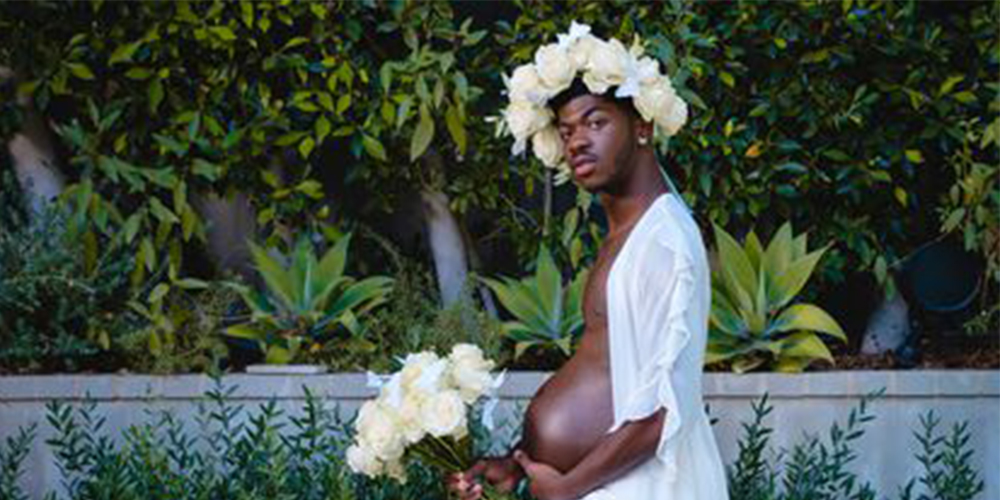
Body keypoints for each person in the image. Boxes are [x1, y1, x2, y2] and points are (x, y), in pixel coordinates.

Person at [449, 23, 728, 500]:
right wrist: (519, 465)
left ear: (642, 126)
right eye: (567, 130)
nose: (577, 141)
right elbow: (607, 375)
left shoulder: (666, 242)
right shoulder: (626, 234)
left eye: (596, 122)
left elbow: (665, 410)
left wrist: (567, 486)